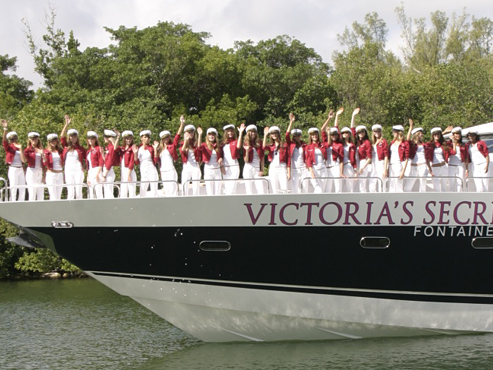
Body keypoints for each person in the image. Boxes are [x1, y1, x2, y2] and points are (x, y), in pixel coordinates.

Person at [153, 115, 184, 197]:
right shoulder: (160, 148)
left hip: (170, 169)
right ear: (162, 139)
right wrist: (155, 149)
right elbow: (156, 160)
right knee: (166, 189)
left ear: (169, 137)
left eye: (167, 137)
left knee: (173, 188)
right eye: (164, 138)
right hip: (163, 170)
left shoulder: (172, 145)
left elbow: (178, 135)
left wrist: (182, 123)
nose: (166, 139)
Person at [60, 115, 86, 200]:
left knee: (78, 190)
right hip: (68, 169)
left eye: (75, 136)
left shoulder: (80, 148)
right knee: (70, 191)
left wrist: (85, 168)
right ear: (69, 137)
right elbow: (61, 136)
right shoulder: (66, 147)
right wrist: (66, 124)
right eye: (71, 136)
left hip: (78, 169)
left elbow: (86, 159)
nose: (73, 138)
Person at [404, 119, 432, 192]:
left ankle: (422, 199)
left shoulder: (424, 145)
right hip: (414, 166)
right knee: (407, 187)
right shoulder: (412, 144)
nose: (422, 135)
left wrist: (430, 169)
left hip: (422, 165)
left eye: (422, 133)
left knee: (423, 185)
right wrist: (411, 127)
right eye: (420, 133)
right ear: (416, 134)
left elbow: (427, 159)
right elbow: (407, 139)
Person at [1, 120, 26, 201]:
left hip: (20, 168)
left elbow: (24, 160)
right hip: (13, 168)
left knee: (22, 187)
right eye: (11, 139)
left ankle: (21, 202)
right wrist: (5, 128)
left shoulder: (20, 147)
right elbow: (4, 142)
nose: (13, 141)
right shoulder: (9, 147)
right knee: (13, 187)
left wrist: (20, 148)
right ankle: (13, 201)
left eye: (14, 138)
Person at [263, 125, 289, 194]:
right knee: (274, 188)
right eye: (272, 133)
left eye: (275, 133)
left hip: (282, 166)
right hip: (273, 167)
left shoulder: (284, 145)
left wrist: (288, 171)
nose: (274, 135)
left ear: (278, 134)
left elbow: (288, 158)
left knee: (284, 188)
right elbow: (263, 147)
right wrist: (265, 135)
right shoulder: (270, 145)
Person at [285, 113, 307, 194]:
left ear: (301, 136)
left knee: (304, 188)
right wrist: (291, 122)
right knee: (295, 188)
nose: (297, 137)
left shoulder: (304, 145)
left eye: (298, 136)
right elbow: (287, 134)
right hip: (294, 169)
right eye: (295, 136)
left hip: (304, 168)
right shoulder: (290, 144)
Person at [351, 109, 372, 192]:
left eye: (362, 132)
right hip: (356, 162)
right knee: (356, 183)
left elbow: (369, 157)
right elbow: (352, 128)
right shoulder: (357, 142)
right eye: (359, 132)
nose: (361, 133)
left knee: (362, 183)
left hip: (363, 162)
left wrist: (363, 167)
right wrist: (353, 116)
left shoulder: (367, 142)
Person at [221, 123, 244, 195]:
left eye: (231, 131)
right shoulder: (223, 143)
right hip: (225, 167)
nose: (230, 133)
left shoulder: (235, 141)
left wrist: (240, 133)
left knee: (232, 187)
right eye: (228, 131)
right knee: (227, 187)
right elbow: (220, 156)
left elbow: (238, 146)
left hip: (234, 166)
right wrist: (221, 167)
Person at [135, 130, 159, 197]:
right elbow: (136, 162)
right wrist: (135, 153)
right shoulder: (138, 148)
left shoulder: (151, 148)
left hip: (151, 169)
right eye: (145, 137)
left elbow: (156, 160)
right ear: (141, 138)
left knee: (154, 189)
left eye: (148, 137)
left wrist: (155, 150)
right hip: (143, 170)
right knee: (142, 190)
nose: (147, 139)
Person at [200, 127, 223, 195]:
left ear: (215, 136)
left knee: (218, 190)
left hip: (217, 169)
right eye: (210, 134)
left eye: (213, 134)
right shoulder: (204, 145)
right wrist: (200, 135)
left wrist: (221, 158)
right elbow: (198, 147)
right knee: (209, 190)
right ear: (207, 136)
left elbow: (222, 155)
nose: (211, 136)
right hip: (208, 168)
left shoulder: (218, 145)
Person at [180, 124, 202, 196]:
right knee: (184, 184)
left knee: (196, 186)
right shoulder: (182, 143)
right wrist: (186, 141)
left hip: (195, 166)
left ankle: (196, 200)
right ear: (185, 133)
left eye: (192, 132)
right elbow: (182, 150)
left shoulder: (195, 142)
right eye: (188, 132)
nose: (190, 134)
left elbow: (199, 147)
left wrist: (200, 135)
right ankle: (184, 200)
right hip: (187, 166)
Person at [242, 124, 265, 194]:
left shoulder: (259, 142)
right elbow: (246, 160)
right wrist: (247, 150)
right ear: (248, 133)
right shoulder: (246, 143)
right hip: (248, 167)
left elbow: (262, 157)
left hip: (257, 168)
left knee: (261, 190)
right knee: (249, 189)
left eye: (254, 132)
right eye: (251, 132)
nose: (253, 133)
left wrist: (262, 170)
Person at [426, 127, 450, 192]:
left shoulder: (443, 144)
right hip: (434, 167)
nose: (437, 136)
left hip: (443, 166)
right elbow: (427, 159)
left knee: (444, 187)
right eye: (435, 134)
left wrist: (444, 132)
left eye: (438, 134)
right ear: (433, 135)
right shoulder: (430, 145)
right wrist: (430, 170)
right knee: (436, 188)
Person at [388, 124, 410, 192]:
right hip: (391, 165)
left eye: (394, 132)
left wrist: (403, 171)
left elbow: (406, 158)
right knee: (391, 184)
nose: (393, 133)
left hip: (399, 164)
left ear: (399, 133)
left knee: (398, 184)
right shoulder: (392, 142)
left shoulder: (405, 143)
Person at [42, 134, 64, 200]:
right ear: (49, 142)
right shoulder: (46, 151)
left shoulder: (60, 150)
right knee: (53, 195)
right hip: (51, 174)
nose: (53, 142)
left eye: (54, 141)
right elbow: (45, 163)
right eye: (51, 141)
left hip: (60, 173)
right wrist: (43, 156)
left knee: (59, 195)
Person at [305, 127, 327, 193]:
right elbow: (308, 160)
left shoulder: (322, 145)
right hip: (314, 169)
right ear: (310, 136)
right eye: (312, 135)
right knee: (318, 189)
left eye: (316, 134)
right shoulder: (308, 147)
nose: (314, 136)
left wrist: (327, 132)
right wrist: (311, 172)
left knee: (322, 189)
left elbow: (327, 140)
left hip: (323, 168)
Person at [115, 131, 137, 198]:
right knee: (123, 191)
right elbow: (115, 148)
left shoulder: (132, 148)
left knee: (131, 191)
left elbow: (132, 162)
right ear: (124, 139)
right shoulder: (123, 148)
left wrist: (128, 174)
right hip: (123, 171)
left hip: (129, 171)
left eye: (130, 138)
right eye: (127, 138)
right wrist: (118, 137)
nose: (129, 140)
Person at [24, 132, 45, 201]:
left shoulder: (41, 149)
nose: (34, 141)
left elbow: (45, 162)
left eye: (35, 139)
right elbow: (24, 161)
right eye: (32, 139)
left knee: (40, 193)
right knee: (32, 192)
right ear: (30, 140)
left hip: (39, 170)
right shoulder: (27, 150)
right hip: (31, 170)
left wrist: (42, 153)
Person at [445, 126, 467, 192]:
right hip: (451, 165)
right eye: (456, 134)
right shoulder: (449, 144)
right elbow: (439, 140)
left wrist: (467, 169)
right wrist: (445, 132)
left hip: (460, 166)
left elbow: (466, 157)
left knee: (459, 184)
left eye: (459, 134)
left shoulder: (463, 145)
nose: (458, 135)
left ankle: (459, 198)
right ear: (453, 135)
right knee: (451, 184)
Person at [101, 129, 120, 199]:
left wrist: (104, 175)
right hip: (107, 170)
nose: (104, 138)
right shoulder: (108, 147)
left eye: (106, 137)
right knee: (107, 192)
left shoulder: (111, 147)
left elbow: (110, 162)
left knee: (108, 193)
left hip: (108, 172)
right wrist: (103, 154)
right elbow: (106, 161)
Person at [369, 124, 389, 192]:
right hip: (374, 163)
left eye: (378, 131)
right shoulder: (372, 142)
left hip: (381, 162)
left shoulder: (383, 141)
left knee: (382, 181)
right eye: (375, 131)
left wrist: (385, 169)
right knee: (372, 182)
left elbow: (386, 156)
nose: (377, 133)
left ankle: (382, 196)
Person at [86, 131, 104, 199]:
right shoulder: (88, 150)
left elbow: (101, 162)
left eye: (92, 138)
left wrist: (97, 174)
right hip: (90, 171)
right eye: (89, 138)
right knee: (91, 192)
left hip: (97, 169)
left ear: (95, 139)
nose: (90, 140)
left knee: (98, 191)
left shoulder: (98, 148)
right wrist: (87, 177)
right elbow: (88, 165)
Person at [340, 126, 357, 193]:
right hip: (339, 166)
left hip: (348, 165)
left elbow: (354, 158)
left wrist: (355, 171)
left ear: (350, 134)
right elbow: (336, 128)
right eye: (343, 133)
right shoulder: (340, 144)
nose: (345, 134)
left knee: (349, 185)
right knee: (340, 186)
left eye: (347, 132)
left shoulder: (352, 145)